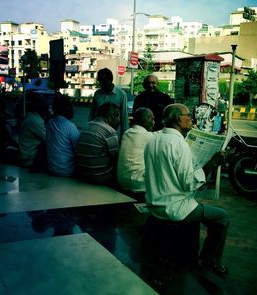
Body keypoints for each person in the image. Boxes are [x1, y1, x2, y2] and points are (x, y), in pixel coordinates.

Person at [144, 103, 229, 276]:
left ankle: (195, 257)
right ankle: (209, 259)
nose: (191, 118)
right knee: (222, 217)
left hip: (155, 205)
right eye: (187, 115)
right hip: (176, 209)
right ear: (177, 119)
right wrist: (212, 162)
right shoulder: (179, 145)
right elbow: (188, 184)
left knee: (199, 207)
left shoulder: (153, 141)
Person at [76, 102, 120, 185]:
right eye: (117, 116)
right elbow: (116, 158)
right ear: (108, 116)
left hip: (82, 174)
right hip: (100, 177)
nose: (118, 120)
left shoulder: (86, 126)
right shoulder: (109, 131)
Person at [117, 108, 156, 195]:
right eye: (152, 119)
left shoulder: (127, 133)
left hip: (122, 181)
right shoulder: (147, 136)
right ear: (145, 121)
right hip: (139, 185)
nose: (154, 122)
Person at [46, 96, 80, 177]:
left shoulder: (50, 123)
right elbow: (79, 149)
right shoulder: (70, 126)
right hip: (67, 170)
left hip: (51, 168)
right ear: (66, 109)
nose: (73, 110)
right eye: (71, 107)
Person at [90, 68, 129, 139]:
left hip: (113, 133)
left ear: (110, 80)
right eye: (100, 81)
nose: (101, 84)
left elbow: (124, 117)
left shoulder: (121, 94)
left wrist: (124, 137)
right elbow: (92, 114)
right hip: (98, 132)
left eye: (103, 81)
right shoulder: (97, 94)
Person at [18, 94, 48, 169]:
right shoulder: (36, 121)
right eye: (45, 104)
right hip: (30, 158)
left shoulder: (32, 116)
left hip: (26, 155)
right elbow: (47, 139)